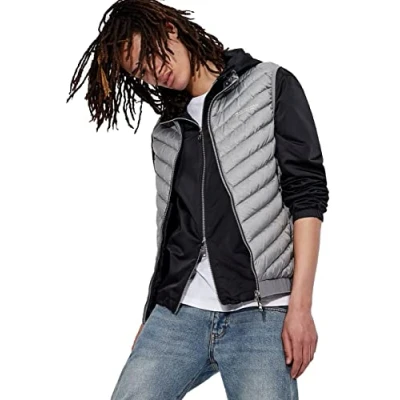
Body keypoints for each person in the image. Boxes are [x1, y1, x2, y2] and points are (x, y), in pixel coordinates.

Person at [67, 0, 329, 398]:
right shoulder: (167, 133)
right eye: (140, 71)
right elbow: (174, 232)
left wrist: (300, 307)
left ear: (169, 28)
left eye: (150, 54)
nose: (154, 72)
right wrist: (155, 313)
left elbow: (306, 195)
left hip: (261, 310)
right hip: (180, 313)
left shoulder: (269, 84)